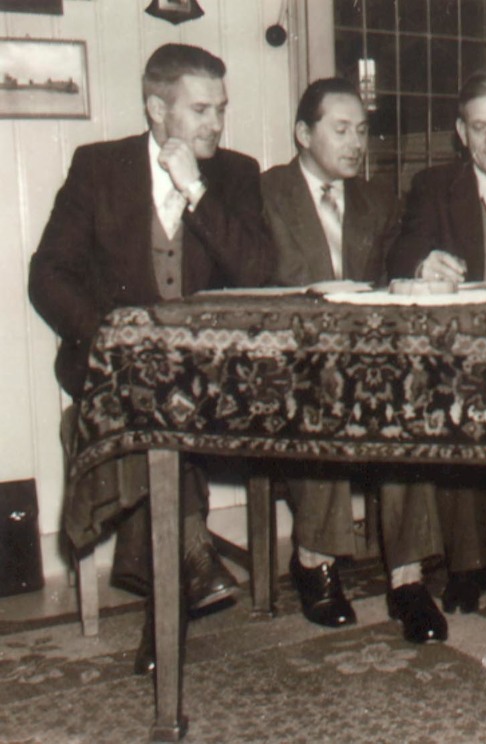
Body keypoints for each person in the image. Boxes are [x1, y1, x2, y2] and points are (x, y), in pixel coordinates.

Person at [28, 43, 276, 673]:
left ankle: (167, 599)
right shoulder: (98, 168)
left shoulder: (235, 174)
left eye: (221, 108)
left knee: (157, 420)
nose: (216, 123)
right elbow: (48, 274)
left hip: (212, 377)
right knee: (151, 411)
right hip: (116, 368)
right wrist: (114, 342)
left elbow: (259, 273)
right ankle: (189, 558)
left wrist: (196, 190)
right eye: (201, 110)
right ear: (157, 110)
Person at [261, 77, 447, 644]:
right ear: (303, 133)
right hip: (292, 361)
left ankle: (407, 579)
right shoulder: (266, 192)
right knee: (322, 395)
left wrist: (421, 267)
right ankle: (314, 561)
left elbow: (396, 266)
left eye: (362, 131)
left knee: (407, 402)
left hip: (365, 361)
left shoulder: (377, 199)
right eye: (340, 130)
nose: (356, 143)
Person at [387, 68, 486, 615]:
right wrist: (421, 262)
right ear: (461, 132)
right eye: (479, 127)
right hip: (456, 353)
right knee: (450, 395)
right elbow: (400, 251)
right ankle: (465, 565)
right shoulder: (433, 186)